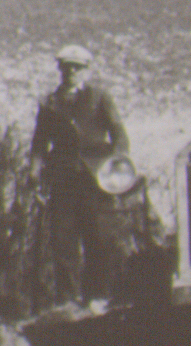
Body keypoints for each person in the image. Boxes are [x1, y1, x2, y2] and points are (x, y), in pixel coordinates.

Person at [30, 44, 131, 308]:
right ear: (60, 70)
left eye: (77, 67)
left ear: (86, 70)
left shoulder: (99, 97)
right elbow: (39, 143)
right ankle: (68, 300)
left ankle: (98, 297)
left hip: (96, 180)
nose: (72, 72)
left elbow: (119, 135)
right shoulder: (50, 103)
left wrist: (117, 163)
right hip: (63, 179)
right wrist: (34, 173)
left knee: (97, 237)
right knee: (63, 240)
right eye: (67, 67)